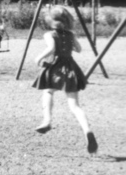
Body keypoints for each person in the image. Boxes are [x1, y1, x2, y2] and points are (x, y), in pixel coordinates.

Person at [33, 8, 97, 154]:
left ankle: (47, 121)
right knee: (74, 105)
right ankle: (87, 130)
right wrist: (71, 44)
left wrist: (39, 57)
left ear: (50, 20)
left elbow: (52, 48)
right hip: (70, 68)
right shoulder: (71, 34)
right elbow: (79, 49)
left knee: (48, 92)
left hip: (55, 67)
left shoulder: (49, 34)